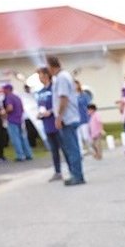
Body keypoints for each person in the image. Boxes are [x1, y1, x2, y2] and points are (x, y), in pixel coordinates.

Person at [47, 56, 85, 186]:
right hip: (70, 116)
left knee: (72, 148)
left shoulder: (62, 78)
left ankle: (77, 175)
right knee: (72, 147)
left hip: (67, 118)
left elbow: (63, 98)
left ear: (52, 66)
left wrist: (59, 117)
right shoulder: (64, 76)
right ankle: (76, 173)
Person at [36, 66, 64, 182]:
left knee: (64, 147)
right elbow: (41, 106)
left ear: (46, 75)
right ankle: (57, 171)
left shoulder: (54, 88)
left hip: (56, 122)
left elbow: (59, 103)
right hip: (46, 124)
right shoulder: (41, 92)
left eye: (41, 76)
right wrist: (40, 114)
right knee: (53, 150)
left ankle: (72, 169)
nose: (39, 78)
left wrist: (51, 111)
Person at [2, 84, 33, 162]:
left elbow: (10, 107)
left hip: (12, 120)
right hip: (20, 119)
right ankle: (28, 154)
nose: (3, 91)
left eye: (4, 89)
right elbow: (22, 109)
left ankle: (20, 155)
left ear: (7, 90)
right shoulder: (17, 97)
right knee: (23, 137)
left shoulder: (8, 97)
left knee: (16, 139)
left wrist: (4, 113)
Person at [75, 80, 91, 155]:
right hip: (76, 119)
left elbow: (88, 105)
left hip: (84, 118)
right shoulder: (71, 96)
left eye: (75, 84)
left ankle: (91, 148)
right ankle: (80, 151)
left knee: (86, 136)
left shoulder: (84, 95)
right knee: (78, 137)